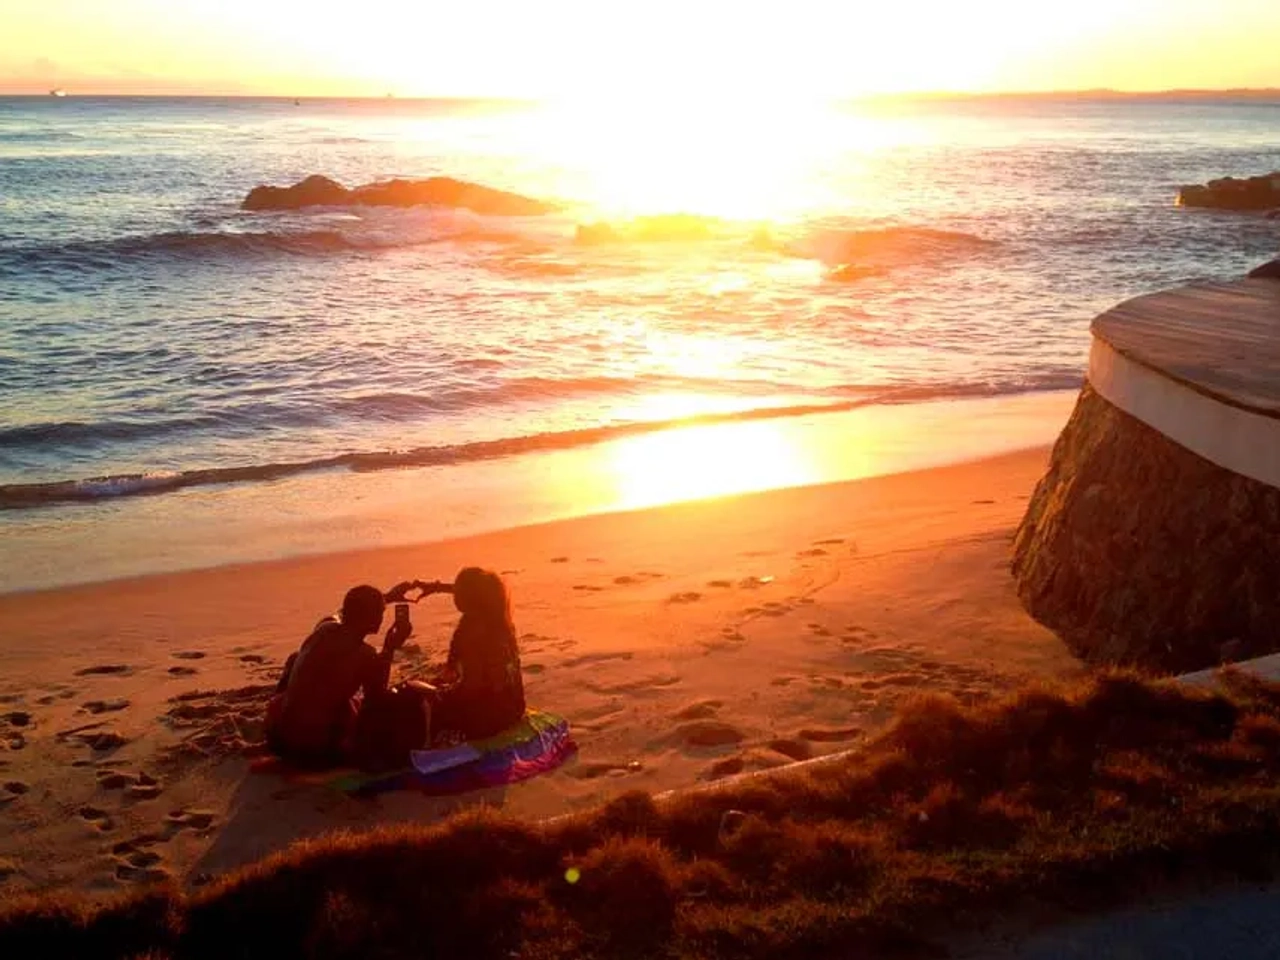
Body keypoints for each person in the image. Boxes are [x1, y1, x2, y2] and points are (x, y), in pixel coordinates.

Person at [266, 583, 418, 767]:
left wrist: (388, 597)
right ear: (371, 616)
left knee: (295, 659)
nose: (382, 616)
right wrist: (389, 648)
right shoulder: (364, 654)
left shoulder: (324, 629)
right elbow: (376, 701)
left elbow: (341, 613)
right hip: (315, 751)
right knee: (397, 703)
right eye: (380, 611)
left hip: (278, 738)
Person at [426, 568, 526, 744]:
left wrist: (440, 694)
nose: (454, 593)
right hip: (514, 707)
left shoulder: (471, 632)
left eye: (457, 589)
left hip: (488, 718)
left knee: (425, 703)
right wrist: (436, 587)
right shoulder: (500, 619)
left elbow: (472, 685)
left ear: (467, 597)